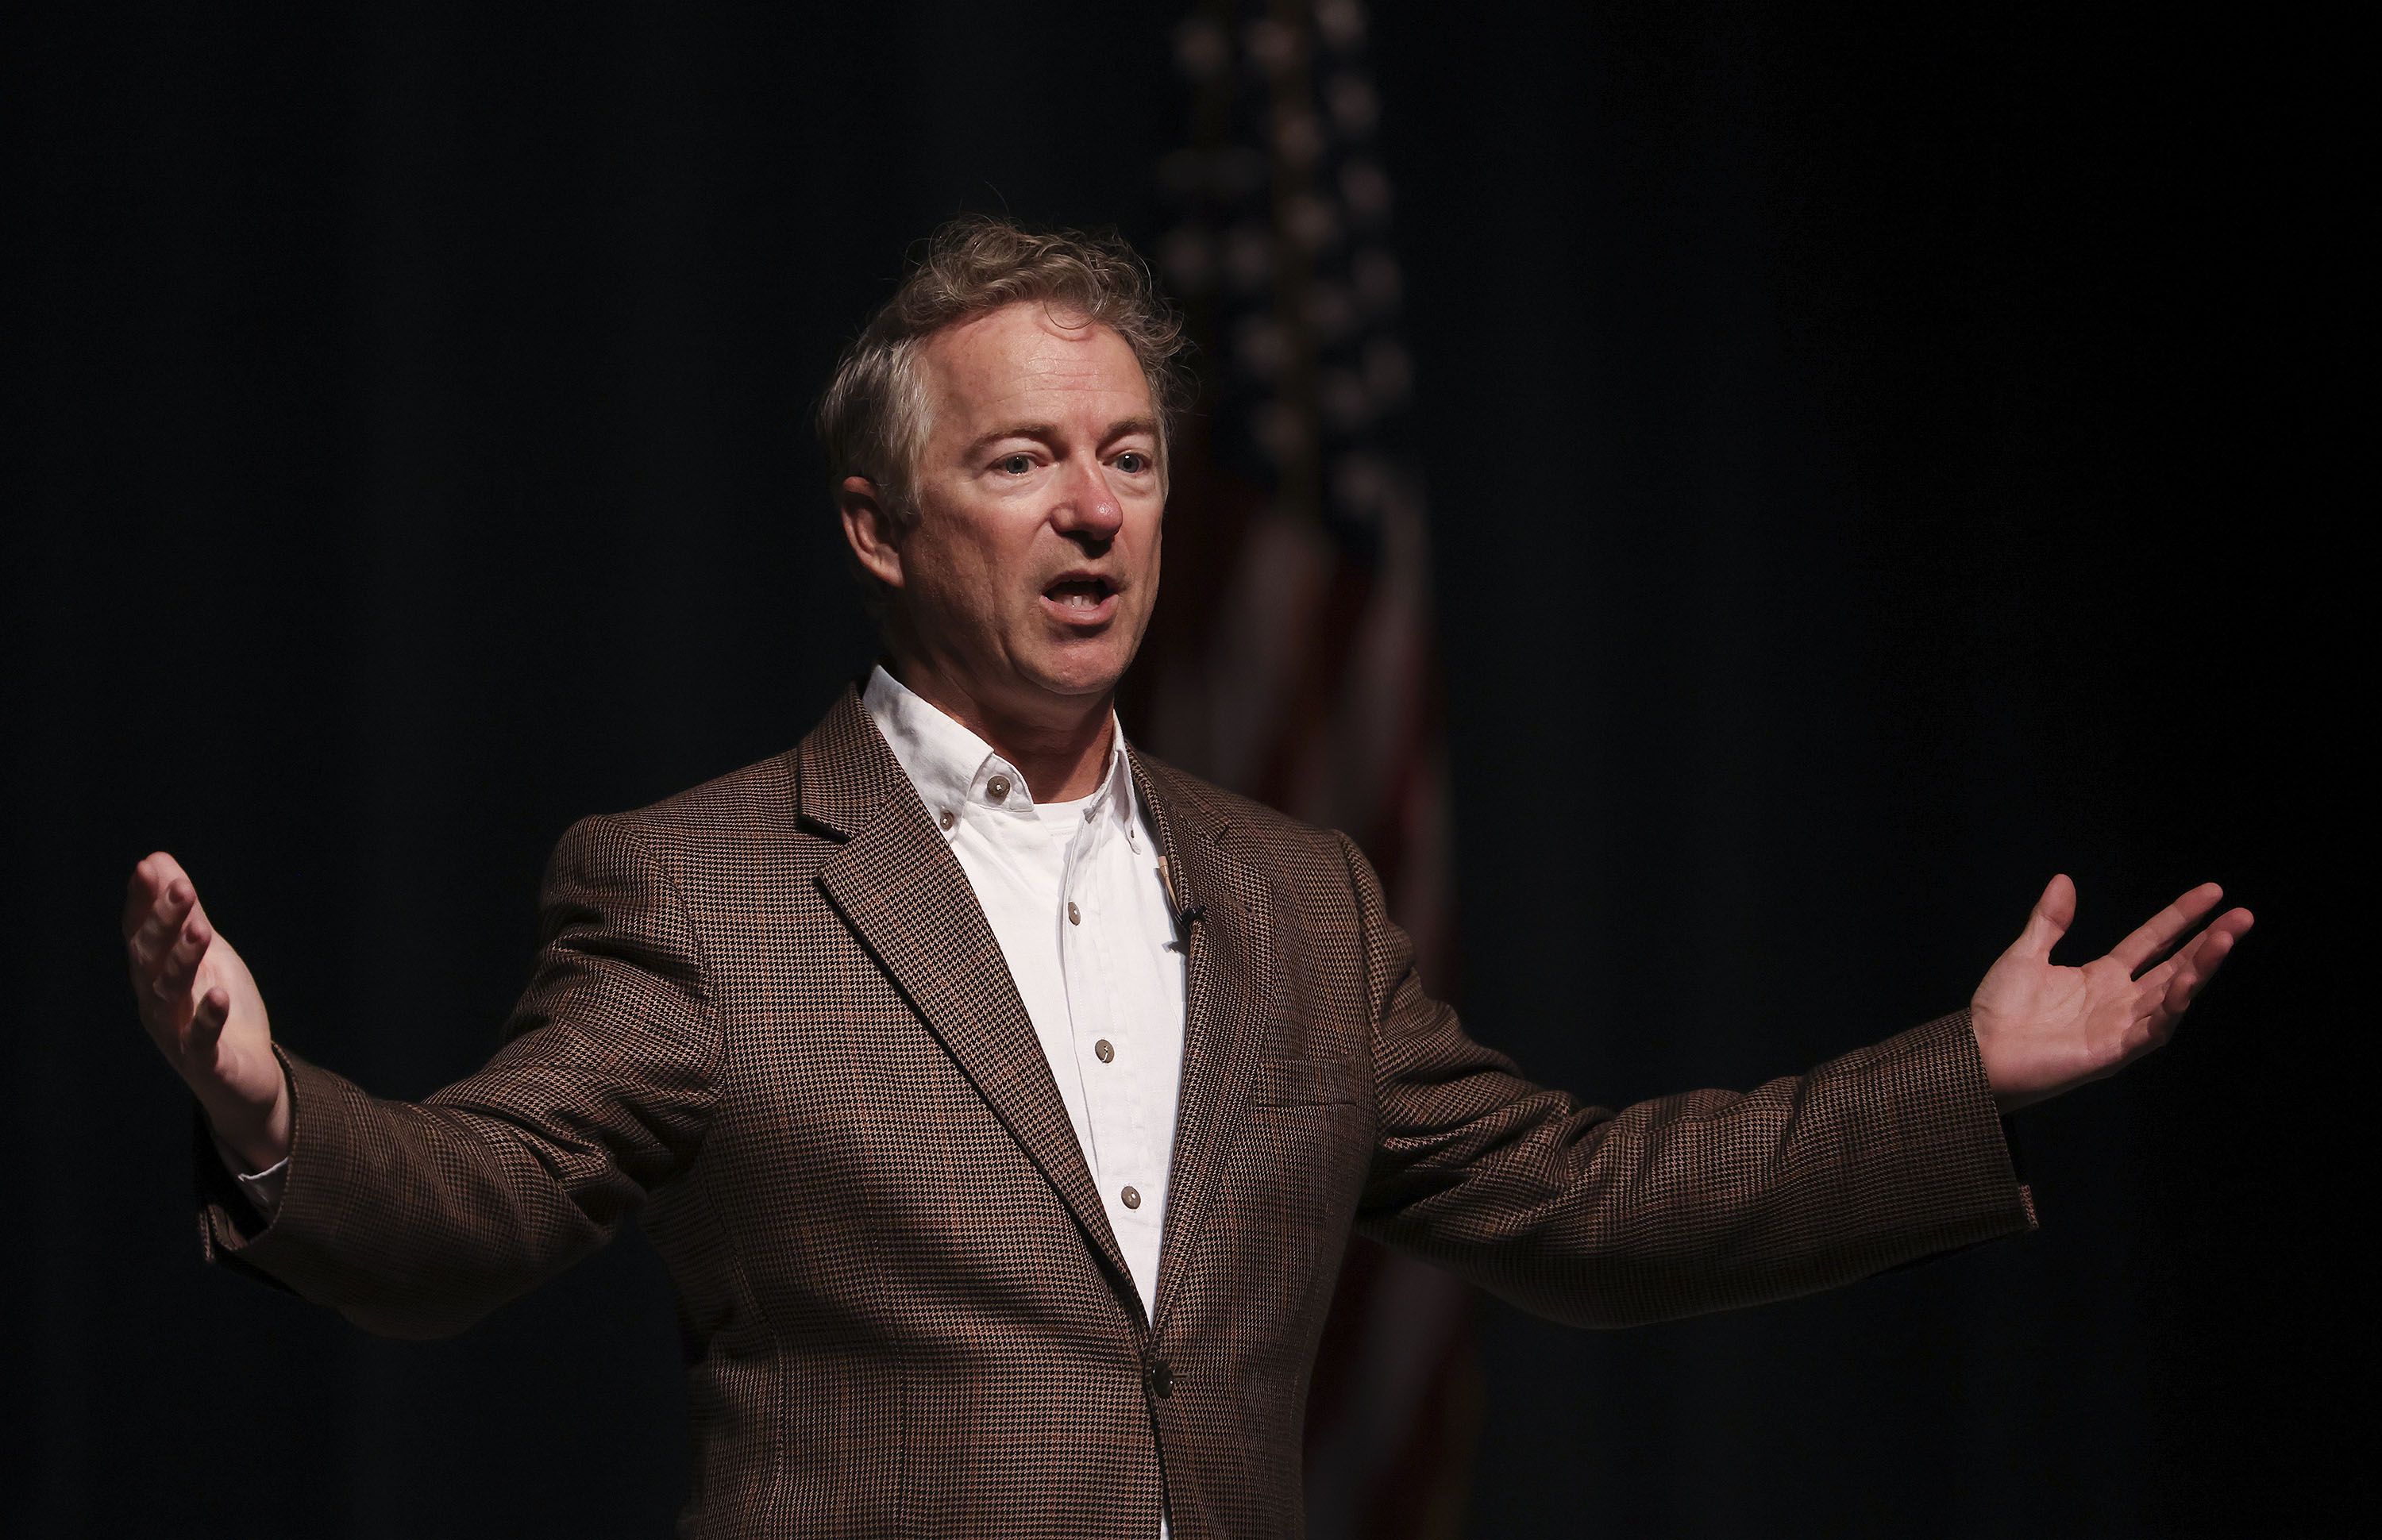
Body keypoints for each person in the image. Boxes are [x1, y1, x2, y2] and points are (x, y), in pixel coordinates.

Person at [121, 217, 2251, 1539]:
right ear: (878, 525)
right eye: (1023, 461)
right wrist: (277, 1111)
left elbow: (1583, 1204)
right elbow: (481, 1200)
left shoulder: (1297, 895)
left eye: (1129, 458)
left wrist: (1956, 1082)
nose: (1093, 515)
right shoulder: (707, 888)